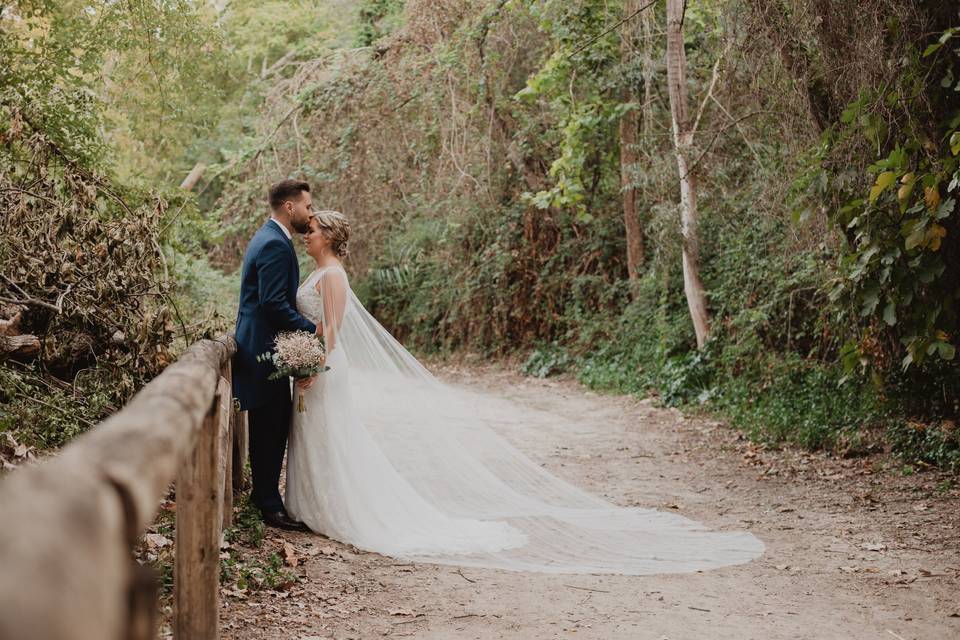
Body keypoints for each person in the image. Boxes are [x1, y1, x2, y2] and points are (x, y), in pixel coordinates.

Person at [284, 210, 765, 575]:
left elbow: (332, 328)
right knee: (321, 432)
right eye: (307, 230)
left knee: (334, 434)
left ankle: (338, 508)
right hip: (319, 366)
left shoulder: (335, 276)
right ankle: (311, 505)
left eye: (313, 231)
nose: (307, 236)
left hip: (327, 367)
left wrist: (314, 365)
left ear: (330, 236)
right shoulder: (320, 272)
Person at [232, 179, 319, 531]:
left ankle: (265, 499)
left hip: (264, 347)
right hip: (262, 351)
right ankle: (268, 505)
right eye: (308, 206)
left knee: (272, 426)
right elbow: (272, 303)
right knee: (270, 428)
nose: (310, 212)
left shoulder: (270, 238)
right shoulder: (273, 244)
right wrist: (310, 331)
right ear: (289, 206)